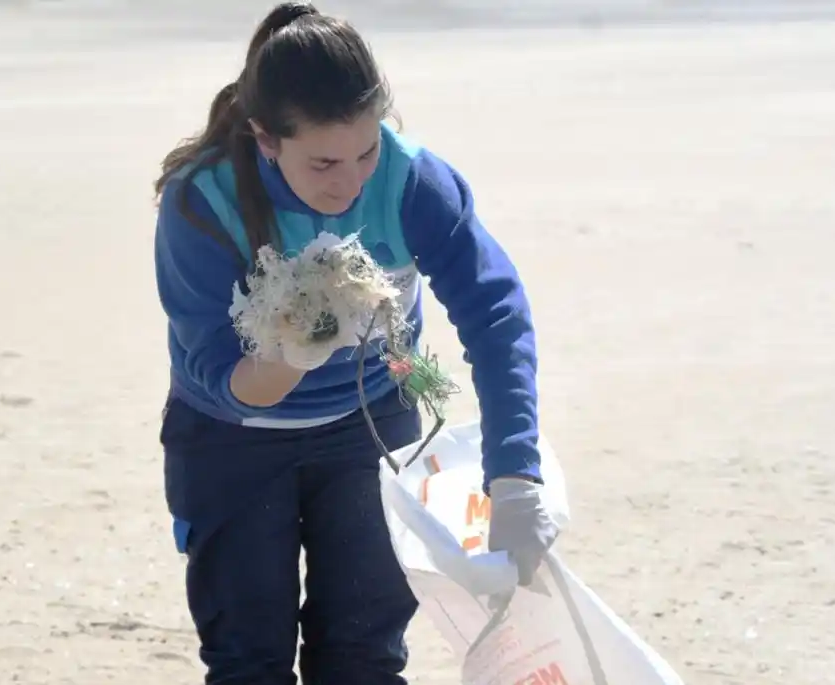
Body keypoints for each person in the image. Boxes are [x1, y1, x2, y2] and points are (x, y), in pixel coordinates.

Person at [152, 3, 558, 684]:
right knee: (248, 661)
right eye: (323, 163)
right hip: (233, 440)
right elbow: (219, 372)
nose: (349, 183)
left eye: (366, 151)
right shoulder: (203, 203)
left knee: (363, 658)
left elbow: (495, 311)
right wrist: (292, 354)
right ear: (265, 138)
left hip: (372, 427)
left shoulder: (409, 182)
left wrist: (515, 472)